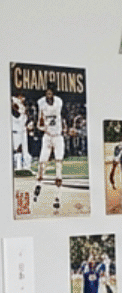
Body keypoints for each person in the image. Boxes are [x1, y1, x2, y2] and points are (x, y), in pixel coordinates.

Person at [33, 84, 64, 214]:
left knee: (58, 167)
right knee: (42, 163)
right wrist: (39, 126)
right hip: (47, 136)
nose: (48, 96)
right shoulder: (41, 103)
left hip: (58, 137)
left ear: (54, 94)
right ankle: (38, 185)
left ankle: (57, 197)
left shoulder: (59, 102)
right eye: (47, 93)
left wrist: (67, 129)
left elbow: (64, 117)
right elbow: (39, 123)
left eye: (50, 94)